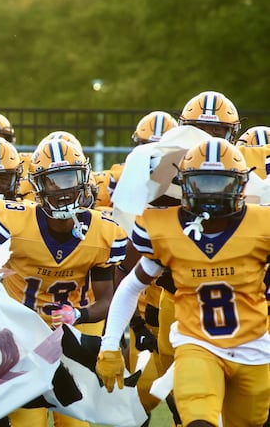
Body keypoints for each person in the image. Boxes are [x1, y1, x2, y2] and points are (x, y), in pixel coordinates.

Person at [0, 138, 127, 427]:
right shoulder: (13, 220)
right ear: (38, 185)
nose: (63, 189)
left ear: (83, 179)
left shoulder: (105, 233)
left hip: (74, 331)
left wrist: (79, 315)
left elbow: (108, 300)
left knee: (74, 421)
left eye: (69, 178)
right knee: (28, 421)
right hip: (22, 333)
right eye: (53, 181)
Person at [96, 138, 270, 427]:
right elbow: (131, 285)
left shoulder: (262, 224)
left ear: (241, 185)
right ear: (184, 185)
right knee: (198, 420)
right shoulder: (166, 228)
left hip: (253, 348)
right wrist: (111, 343)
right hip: (196, 343)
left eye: (220, 183)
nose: (211, 194)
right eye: (203, 182)